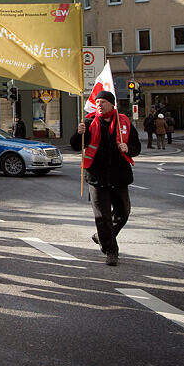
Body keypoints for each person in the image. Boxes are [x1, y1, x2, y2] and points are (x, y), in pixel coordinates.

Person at [71, 91, 141, 266]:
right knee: (102, 217)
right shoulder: (89, 121)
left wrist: (128, 148)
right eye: (97, 102)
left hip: (119, 176)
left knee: (123, 213)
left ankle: (101, 236)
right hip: (96, 176)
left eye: (102, 102)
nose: (99, 105)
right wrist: (79, 133)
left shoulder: (124, 122)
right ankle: (111, 251)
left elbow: (137, 147)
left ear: (112, 104)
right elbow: (75, 145)